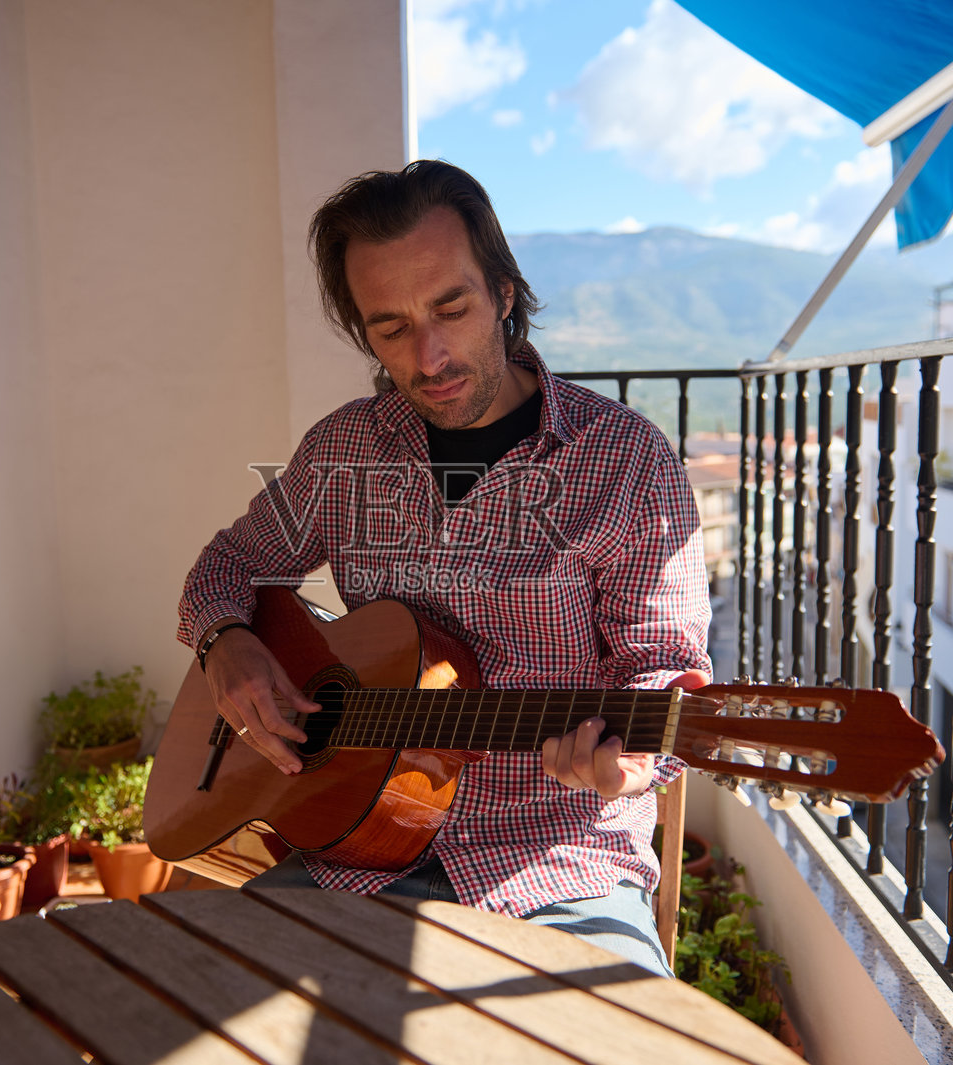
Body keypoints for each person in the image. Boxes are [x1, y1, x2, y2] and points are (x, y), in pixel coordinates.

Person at [176, 160, 711, 977]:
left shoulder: (625, 460)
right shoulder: (343, 447)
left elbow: (662, 672)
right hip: (354, 852)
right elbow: (230, 564)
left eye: (451, 307)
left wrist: (632, 757)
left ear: (502, 291)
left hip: (559, 860)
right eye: (389, 327)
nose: (429, 356)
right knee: (202, 1011)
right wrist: (225, 642)